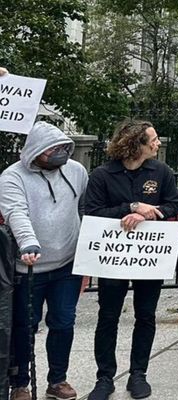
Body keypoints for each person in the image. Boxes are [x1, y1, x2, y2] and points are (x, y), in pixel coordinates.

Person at [82, 120, 178, 400]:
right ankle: (104, 377)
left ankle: (139, 373)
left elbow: (174, 204)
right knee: (108, 316)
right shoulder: (103, 175)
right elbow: (93, 211)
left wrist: (149, 213)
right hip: (113, 257)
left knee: (145, 315)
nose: (158, 143)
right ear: (136, 144)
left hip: (147, 256)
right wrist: (130, 208)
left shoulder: (161, 172)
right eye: (153, 139)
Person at [0, 122, 89, 400]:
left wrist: (86, 258)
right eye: (52, 149)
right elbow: (16, 212)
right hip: (28, 267)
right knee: (25, 326)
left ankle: (57, 380)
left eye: (62, 147)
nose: (59, 153)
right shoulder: (12, 177)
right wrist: (28, 241)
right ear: (35, 151)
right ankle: (20, 383)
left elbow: (84, 209)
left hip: (67, 265)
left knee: (64, 322)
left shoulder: (77, 171)